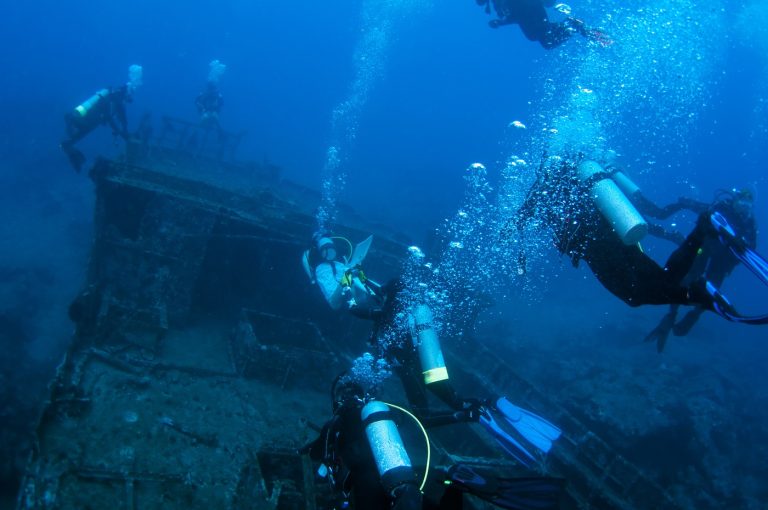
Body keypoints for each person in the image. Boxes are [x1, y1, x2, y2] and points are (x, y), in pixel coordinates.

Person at [303, 234, 562, 465]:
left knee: (423, 417)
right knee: (453, 397)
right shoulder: (404, 309)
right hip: (427, 358)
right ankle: (490, 405)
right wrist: (360, 280)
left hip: (404, 362)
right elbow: (380, 292)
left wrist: (350, 290)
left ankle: (471, 414)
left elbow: (352, 307)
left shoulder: (382, 313)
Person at [510, 155, 767, 324]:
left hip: (598, 244)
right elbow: (630, 214)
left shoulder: (552, 189)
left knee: (636, 294)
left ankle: (698, 272)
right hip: (616, 238)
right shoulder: (584, 185)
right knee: (654, 285)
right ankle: (696, 288)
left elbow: (531, 221)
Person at [300, 377, 566, 509]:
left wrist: (309, 448)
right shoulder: (382, 410)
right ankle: (452, 483)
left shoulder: (334, 423)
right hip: (402, 475)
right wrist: (458, 415)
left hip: (367, 481)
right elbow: (420, 420)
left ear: (338, 399)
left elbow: (316, 455)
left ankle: (452, 483)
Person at [644, 189, 759, 351]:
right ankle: (672, 314)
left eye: (748, 203)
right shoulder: (722, 207)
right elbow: (704, 213)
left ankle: (694, 315)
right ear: (735, 199)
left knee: (711, 289)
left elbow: (751, 246)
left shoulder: (748, 222)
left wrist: (741, 244)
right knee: (688, 278)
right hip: (705, 249)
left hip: (723, 260)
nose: (744, 206)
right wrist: (686, 202)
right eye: (741, 200)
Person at [60, 65, 143, 173]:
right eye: (129, 96)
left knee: (73, 138)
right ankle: (70, 147)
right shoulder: (118, 100)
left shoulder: (113, 96)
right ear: (127, 93)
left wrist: (123, 131)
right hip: (91, 119)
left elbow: (119, 119)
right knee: (77, 135)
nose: (129, 99)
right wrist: (123, 133)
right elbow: (115, 118)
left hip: (87, 118)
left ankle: (68, 140)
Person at [474, 0, 610, 49]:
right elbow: (516, 14)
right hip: (529, 9)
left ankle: (573, 25)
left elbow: (517, 11)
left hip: (529, 7)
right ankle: (574, 25)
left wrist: (501, 22)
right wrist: (501, 22)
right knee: (544, 38)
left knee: (543, 38)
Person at [195, 59, 226, 129]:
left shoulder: (217, 94)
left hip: (213, 110)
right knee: (205, 117)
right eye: (210, 89)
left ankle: (219, 131)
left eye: (212, 89)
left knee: (214, 116)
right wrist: (202, 109)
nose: (211, 91)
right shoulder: (203, 93)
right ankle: (196, 130)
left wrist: (216, 108)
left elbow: (221, 103)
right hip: (204, 110)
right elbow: (197, 101)